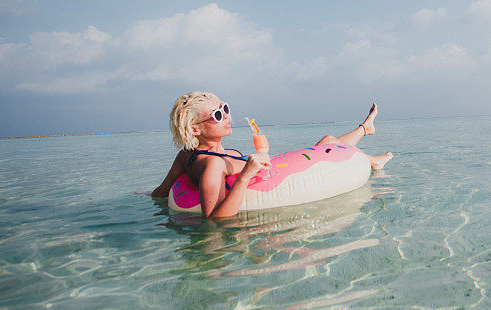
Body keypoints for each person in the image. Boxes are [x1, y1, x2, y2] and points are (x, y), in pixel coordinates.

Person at [151, 91, 393, 218]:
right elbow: (215, 218)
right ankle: (369, 148)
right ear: (195, 129)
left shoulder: (188, 154)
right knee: (328, 142)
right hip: (256, 181)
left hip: (261, 168)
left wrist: (145, 197)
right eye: (216, 116)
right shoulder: (213, 166)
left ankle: (366, 134)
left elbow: (162, 191)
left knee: (328, 141)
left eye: (224, 109)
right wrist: (245, 177)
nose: (226, 116)